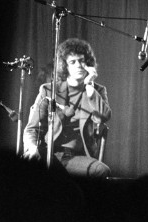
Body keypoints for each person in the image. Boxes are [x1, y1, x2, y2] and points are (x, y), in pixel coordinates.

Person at [23, 37, 113, 179]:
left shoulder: (98, 90)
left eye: (82, 61)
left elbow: (104, 116)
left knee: (101, 171)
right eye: (73, 62)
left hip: (78, 157)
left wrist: (89, 85)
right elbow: (31, 128)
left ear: (88, 64)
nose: (78, 65)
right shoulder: (49, 90)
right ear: (65, 66)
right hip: (48, 154)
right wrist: (32, 148)